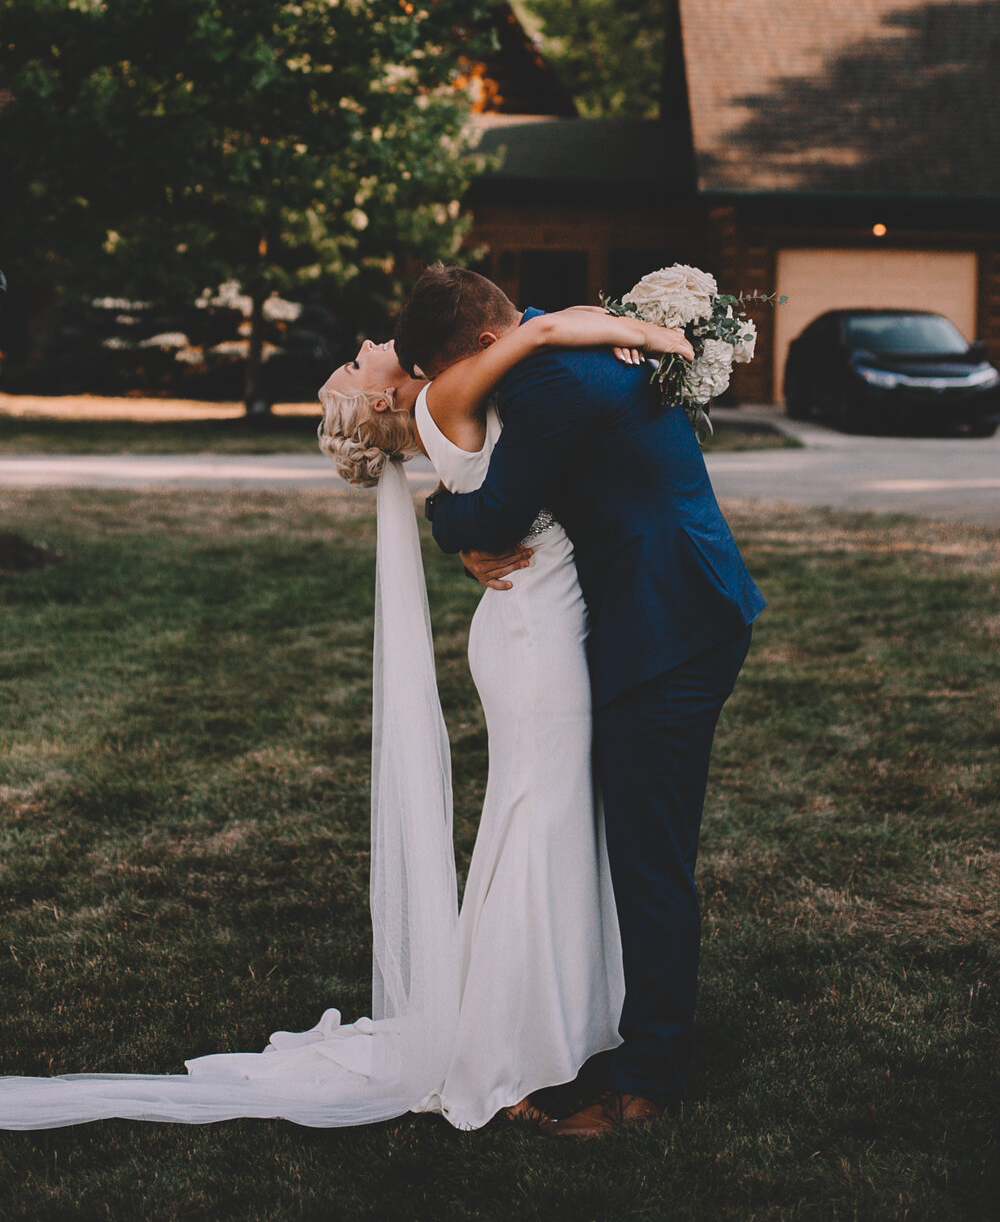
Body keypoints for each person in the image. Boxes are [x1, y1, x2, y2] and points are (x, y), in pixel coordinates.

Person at [0, 297, 692, 1134]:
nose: (367, 344)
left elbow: (536, 344)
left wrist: (619, 321)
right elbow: (538, 331)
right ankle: (515, 1049)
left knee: (544, 824)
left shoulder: (453, 404)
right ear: (379, 401)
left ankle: (558, 1023)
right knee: (538, 825)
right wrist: (650, 333)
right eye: (358, 363)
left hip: (540, 634)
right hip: (539, 645)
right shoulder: (451, 395)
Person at [394, 265, 766, 1139]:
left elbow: (493, 518)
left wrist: (442, 518)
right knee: (636, 844)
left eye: (465, 375)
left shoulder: (551, 377)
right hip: (668, 603)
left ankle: (648, 1089)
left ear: (488, 348)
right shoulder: (569, 336)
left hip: (668, 622)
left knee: (649, 855)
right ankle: (612, 1034)